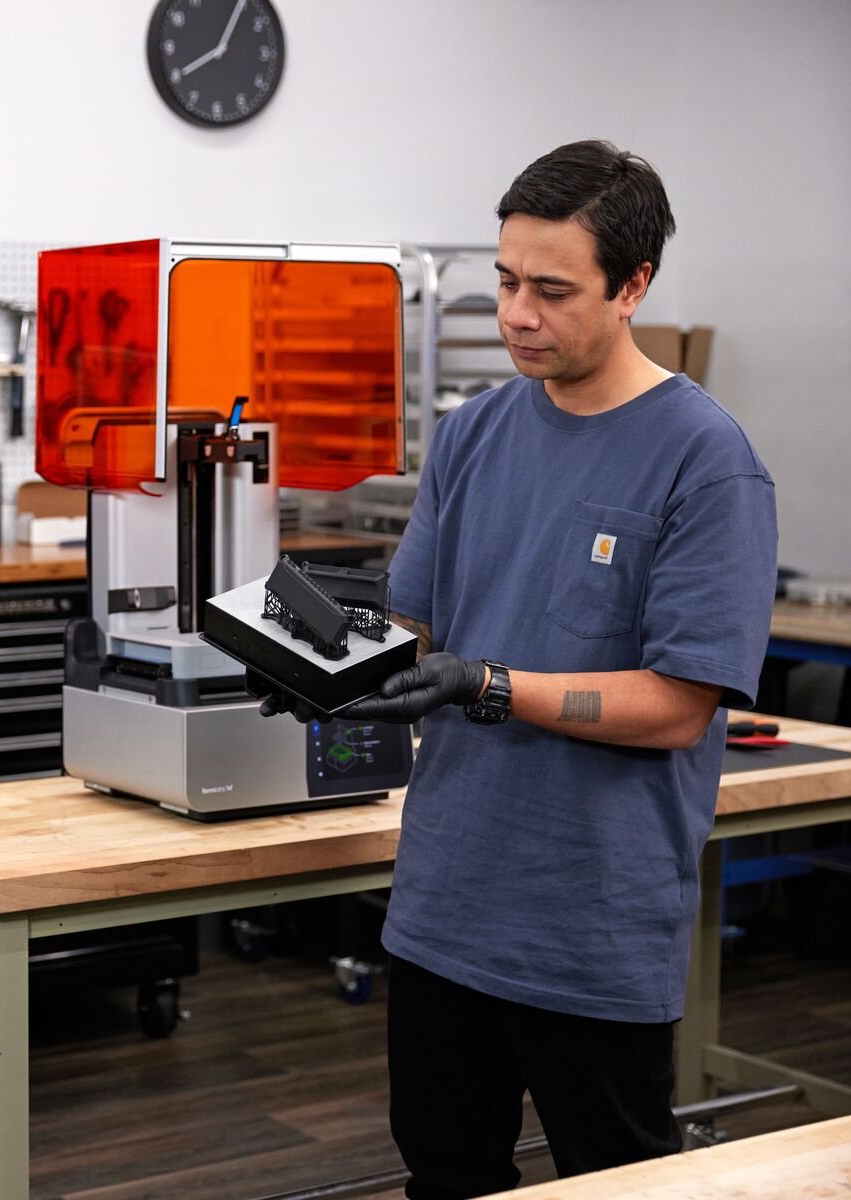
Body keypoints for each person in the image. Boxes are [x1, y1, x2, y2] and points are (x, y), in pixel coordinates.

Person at [263, 141, 778, 1197]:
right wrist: (321, 662)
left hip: (590, 925)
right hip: (445, 908)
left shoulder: (706, 460)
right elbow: (414, 631)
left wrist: (487, 685)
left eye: (552, 291)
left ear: (633, 286)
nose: (516, 316)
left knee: (613, 1185)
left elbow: (678, 707)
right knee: (446, 1174)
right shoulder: (474, 435)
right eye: (505, 282)